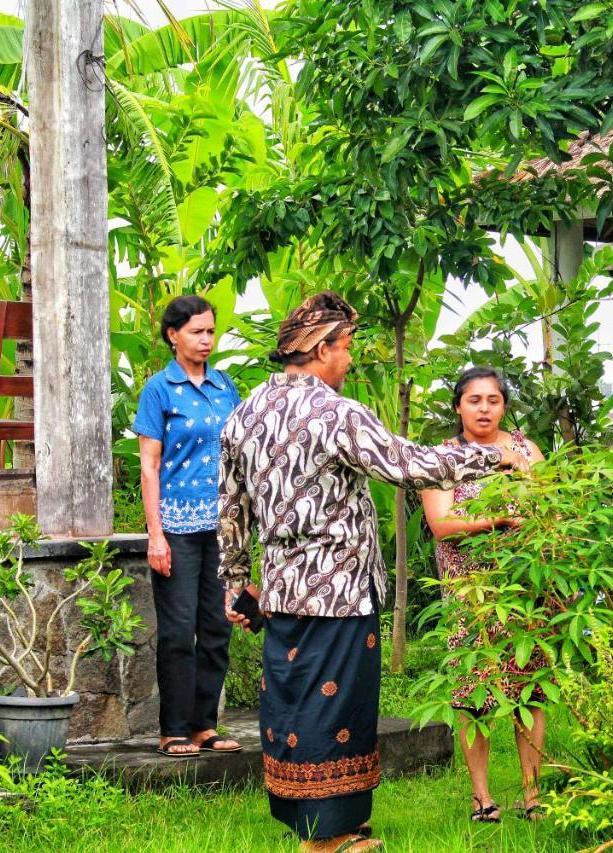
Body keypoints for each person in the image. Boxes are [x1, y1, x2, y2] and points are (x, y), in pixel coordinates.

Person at [217, 292, 530, 853]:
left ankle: (330, 826)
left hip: (285, 586)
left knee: (293, 705)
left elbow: (231, 506)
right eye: (347, 347)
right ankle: (330, 837)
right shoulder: (336, 412)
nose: (350, 360)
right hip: (338, 588)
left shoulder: (243, 413)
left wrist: (236, 581)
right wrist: (491, 457)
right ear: (320, 348)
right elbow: (409, 465)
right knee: (334, 708)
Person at [419, 367, 547, 823]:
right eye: (474, 400)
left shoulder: (525, 450)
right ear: (458, 407)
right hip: (468, 594)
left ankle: (532, 797)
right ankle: (482, 799)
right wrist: (495, 523)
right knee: (474, 694)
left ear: (504, 405)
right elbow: (442, 525)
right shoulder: (442, 457)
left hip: (522, 589)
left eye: (493, 400)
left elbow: (548, 511)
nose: (484, 408)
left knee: (529, 692)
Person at [132, 295, 243, 758]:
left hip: (220, 527)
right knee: (179, 631)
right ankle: (173, 728)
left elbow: (239, 458)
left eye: (211, 331)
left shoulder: (225, 386)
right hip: (176, 528)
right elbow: (149, 467)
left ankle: (204, 726)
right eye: (197, 331)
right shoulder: (159, 390)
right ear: (172, 335)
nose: (206, 340)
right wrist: (155, 535)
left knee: (217, 627)